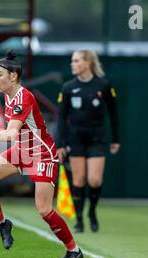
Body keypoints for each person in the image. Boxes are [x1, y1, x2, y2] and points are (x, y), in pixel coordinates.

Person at [0, 51, 83, 258]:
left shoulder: (23, 98)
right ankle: (2, 224)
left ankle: (73, 250)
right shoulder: (8, 96)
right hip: (21, 151)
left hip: (42, 154)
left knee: (44, 209)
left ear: (13, 76)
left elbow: (10, 134)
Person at [56, 50, 120, 233]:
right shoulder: (68, 87)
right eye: (72, 61)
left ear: (87, 63)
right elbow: (61, 117)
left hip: (96, 138)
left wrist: (116, 139)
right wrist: (60, 143)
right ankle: (79, 220)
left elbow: (114, 114)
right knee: (78, 179)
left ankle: (92, 211)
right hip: (75, 138)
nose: (72, 64)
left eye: (76, 61)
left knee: (94, 179)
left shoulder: (103, 85)